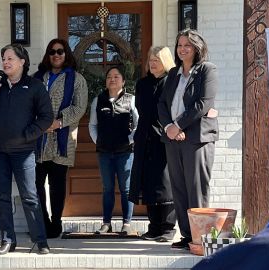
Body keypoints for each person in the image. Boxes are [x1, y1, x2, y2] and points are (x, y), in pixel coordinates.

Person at [0, 43, 53, 255]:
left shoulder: (34, 86)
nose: (6, 62)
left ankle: (40, 241)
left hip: (23, 151)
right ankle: (8, 240)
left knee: (29, 196)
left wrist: (28, 135)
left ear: (22, 61)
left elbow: (47, 118)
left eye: (10, 58)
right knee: (1, 196)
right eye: (4, 59)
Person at [157, 29, 219, 250]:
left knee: (196, 187)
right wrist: (169, 127)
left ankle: (200, 237)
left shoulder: (207, 70)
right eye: (179, 45)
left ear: (197, 47)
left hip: (197, 138)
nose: (182, 49)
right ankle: (186, 235)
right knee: (179, 188)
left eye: (187, 45)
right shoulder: (173, 73)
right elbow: (162, 104)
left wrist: (178, 125)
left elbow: (203, 104)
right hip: (173, 139)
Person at [34, 38, 88, 238]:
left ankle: (56, 223)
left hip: (62, 140)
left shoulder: (77, 79)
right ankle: (43, 222)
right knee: (36, 185)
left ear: (66, 55)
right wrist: (40, 124)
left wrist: (57, 123)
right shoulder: (36, 78)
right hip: (38, 141)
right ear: (48, 56)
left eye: (60, 51)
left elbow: (79, 107)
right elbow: (28, 105)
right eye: (52, 52)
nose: (56, 55)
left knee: (57, 185)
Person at [129, 46, 177, 242]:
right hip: (144, 137)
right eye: (150, 59)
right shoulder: (142, 84)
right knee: (147, 182)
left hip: (164, 137)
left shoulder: (172, 82)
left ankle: (167, 227)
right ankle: (154, 226)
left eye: (156, 59)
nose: (152, 63)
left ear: (165, 61)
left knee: (165, 183)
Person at [89, 65, 138, 235]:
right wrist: (98, 141)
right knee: (107, 188)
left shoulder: (131, 100)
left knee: (126, 189)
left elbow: (138, 124)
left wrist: (130, 139)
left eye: (116, 76)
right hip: (104, 152)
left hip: (125, 152)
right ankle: (106, 223)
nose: (112, 79)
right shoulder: (98, 100)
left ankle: (127, 223)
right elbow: (92, 125)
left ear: (123, 81)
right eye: (109, 76)